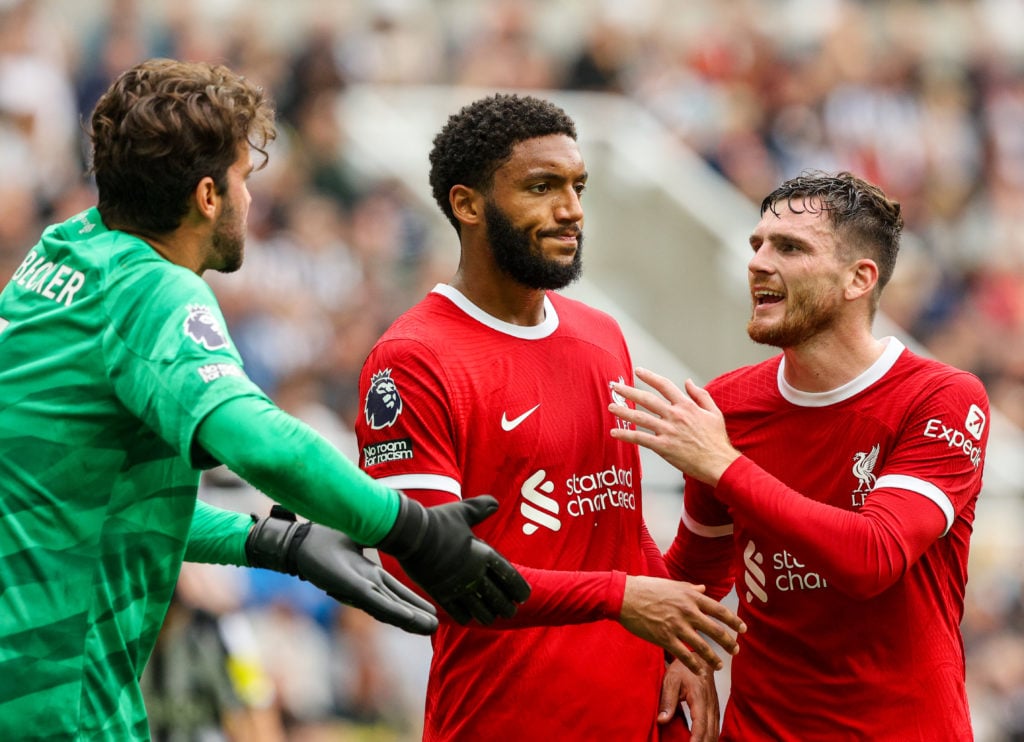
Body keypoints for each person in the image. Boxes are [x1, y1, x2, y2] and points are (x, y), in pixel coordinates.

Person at [0, 58, 530, 740]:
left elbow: (93, 502)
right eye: (245, 179)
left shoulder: (63, 255)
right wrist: (412, 530)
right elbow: (259, 440)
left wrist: (271, 540)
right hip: (54, 708)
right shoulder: (153, 291)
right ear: (207, 196)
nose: (252, 200)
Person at [354, 93, 746, 742]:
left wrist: (679, 645)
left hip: (636, 713)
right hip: (502, 718)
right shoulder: (412, 358)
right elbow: (421, 569)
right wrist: (620, 598)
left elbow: (612, 525)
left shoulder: (601, 337)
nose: (572, 211)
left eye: (578, 187)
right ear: (467, 204)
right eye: (542, 187)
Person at [608, 171, 989, 740]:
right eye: (757, 244)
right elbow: (698, 568)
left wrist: (725, 465)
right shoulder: (729, 406)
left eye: (789, 247)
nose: (758, 263)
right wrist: (681, 650)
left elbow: (873, 558)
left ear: (859, 279)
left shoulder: (941, 398)